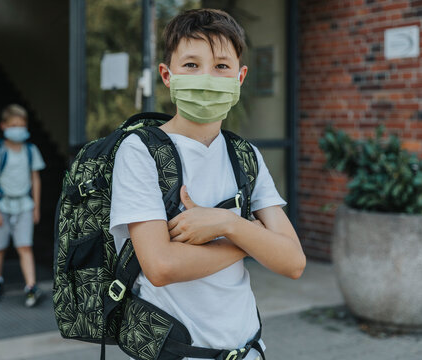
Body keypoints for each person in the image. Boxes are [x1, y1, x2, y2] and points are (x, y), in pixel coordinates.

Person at [109, 8, 306, 360]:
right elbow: (161, 267)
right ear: (167, 76)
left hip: (248, 348)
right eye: (190, 65)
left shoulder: (245, 156)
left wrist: (225, 223)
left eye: (221, 66)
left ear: (240, 76)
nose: (206, 77)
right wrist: (251, 238)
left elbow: (292, 262)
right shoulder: (141, 152)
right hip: (179, 352)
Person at [0, 104, 45, 307]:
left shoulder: (30, 150)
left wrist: (36, 206)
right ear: (3, 126)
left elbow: (35, 179)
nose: (17, 129)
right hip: (2, 205)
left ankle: (30, 286)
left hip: (25, 205)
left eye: (21, 125)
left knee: (25, 246)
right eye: (13, 125)